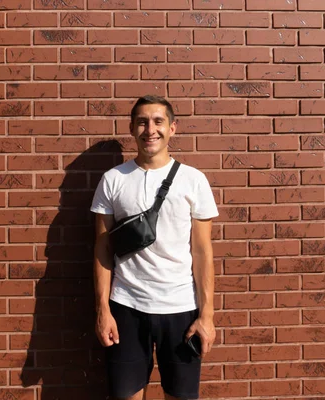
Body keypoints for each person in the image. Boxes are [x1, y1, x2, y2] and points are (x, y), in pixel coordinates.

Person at [90, 95, 219, 400]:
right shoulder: (113, 180)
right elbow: (102, 249)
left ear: (172, 128)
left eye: (159, 121)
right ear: (132, 128)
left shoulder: (193, 180)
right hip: (127, 308)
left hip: (181, 308)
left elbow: (202, 253)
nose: (151, 129)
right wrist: (103, 310)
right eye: (143, 122)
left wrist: (208, 316)